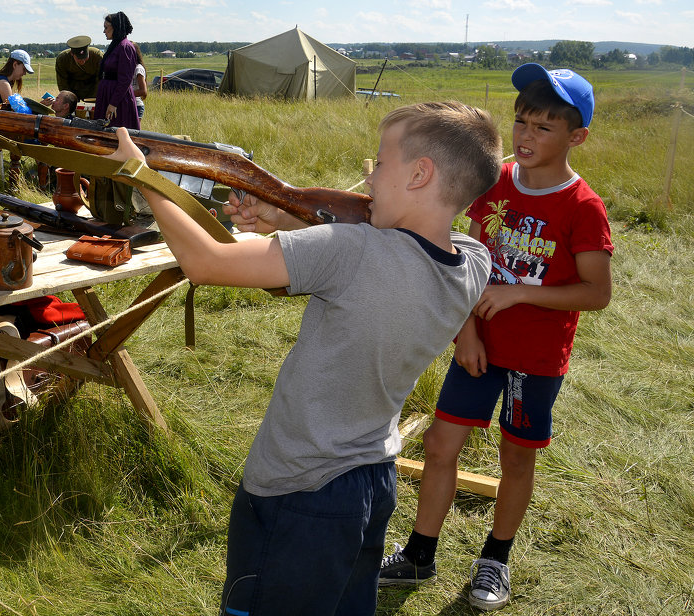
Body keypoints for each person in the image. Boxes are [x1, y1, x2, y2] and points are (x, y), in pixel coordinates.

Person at [108, 101, 502, 616]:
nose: (369, 180)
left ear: (419, 173)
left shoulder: (349, 251)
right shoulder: (473, 263)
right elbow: (397, 239)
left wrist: (142, 176)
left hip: (298, 490)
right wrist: (280, 212)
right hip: (372, 478)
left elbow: (205, 262)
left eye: (380, 164)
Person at [378, 66, 613, 611]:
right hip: (478, 348)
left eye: (545, 129)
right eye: (522, 123)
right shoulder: (496, 183)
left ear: (576, 137)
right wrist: (467, 331)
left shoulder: (582, 207)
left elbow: (595, 292)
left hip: (536, 359)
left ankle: (495, 561)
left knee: (516, 456)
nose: (527, 138)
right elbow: (465, 259)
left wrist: (519, 295)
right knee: (440, 445)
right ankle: (419, 554)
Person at [94, 12, 141, 130]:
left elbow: (125, 79)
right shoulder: (115, 46)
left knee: (118, 133)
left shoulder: (125, 47)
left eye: (106, 28)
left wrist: (113, 103)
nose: (104, 31)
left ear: (115, 27)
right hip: (107, 93)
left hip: (118, 99)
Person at [54, 34, 102, 102]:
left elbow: (101, 80)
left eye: (85, 58)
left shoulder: (98, 56)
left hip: (93, 89)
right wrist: (70, 100)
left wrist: (93, 98)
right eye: (79, 58)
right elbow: (62, 84)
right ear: (72, 54)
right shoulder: (62, 59)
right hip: (73, 89)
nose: (83, 61)